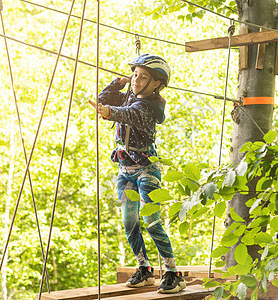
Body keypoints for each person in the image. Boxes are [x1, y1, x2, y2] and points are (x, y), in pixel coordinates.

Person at [88, 54, 186, 294]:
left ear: (156, 84)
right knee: (129, 221)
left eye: (143, 77)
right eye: (135, 75)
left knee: (151, 221)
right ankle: (144, 269)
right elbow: (103, 100)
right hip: (125, 171)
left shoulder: (149, 108)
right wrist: (117, 83)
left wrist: (109, 112)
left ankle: (173, 272)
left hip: (146, 170)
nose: (136, 80)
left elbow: (127, 114)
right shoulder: (130, 95)